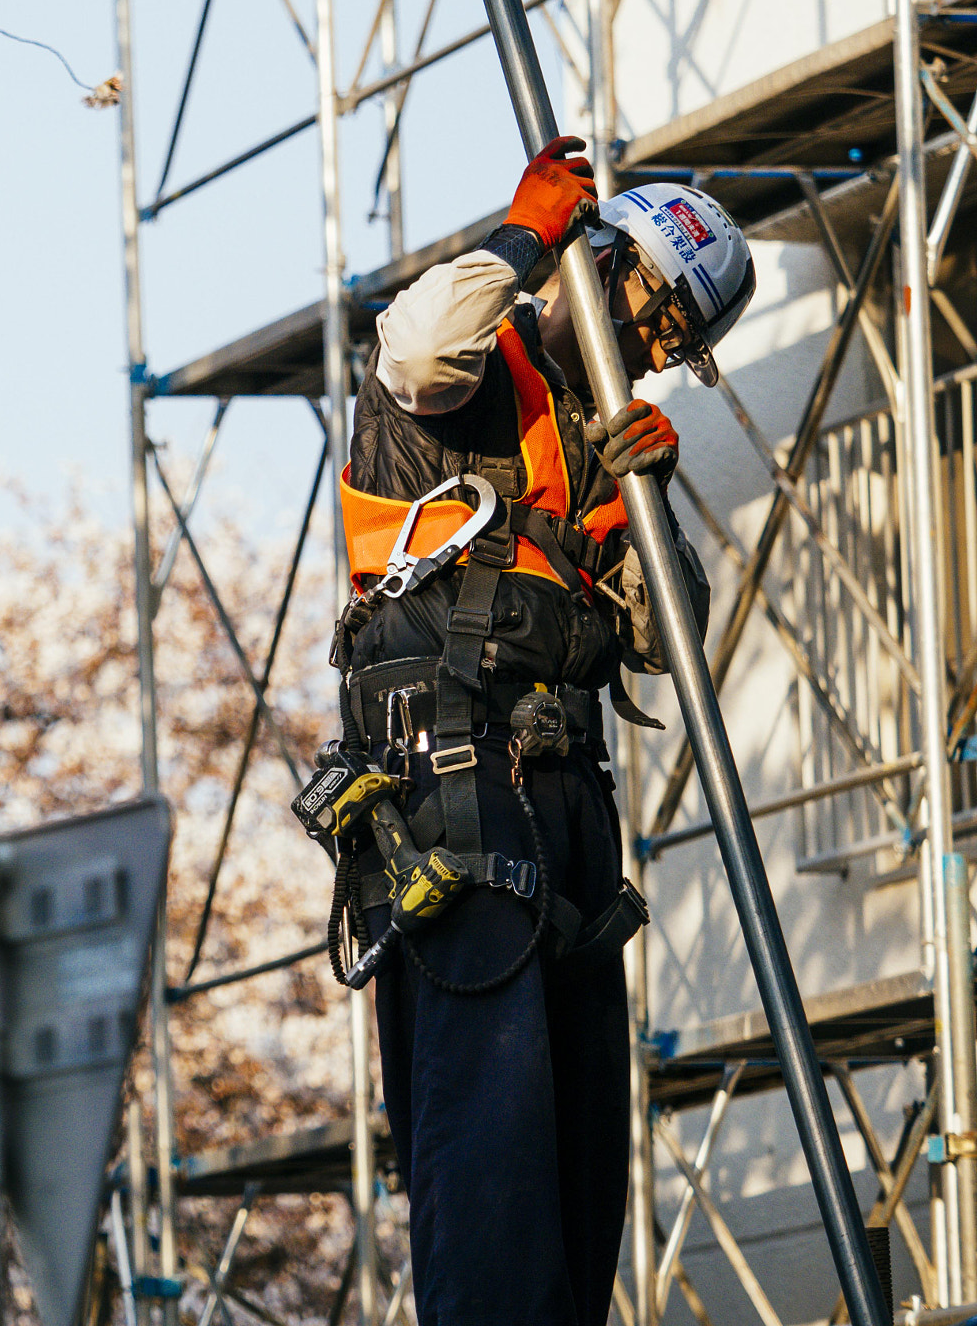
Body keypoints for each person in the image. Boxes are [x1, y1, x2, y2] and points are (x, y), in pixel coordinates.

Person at [330, 137, 754, 1325]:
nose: (656, 348)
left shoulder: (603, 438)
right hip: (454, 784)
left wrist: (649, 506)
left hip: (565, 794)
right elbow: (413, 349)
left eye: (678, 341)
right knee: (492, 1139)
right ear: (598, 261)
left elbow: (665, 640)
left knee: (577, 1156)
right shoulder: (470, 374)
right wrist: (522, 235)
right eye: (652, 309)